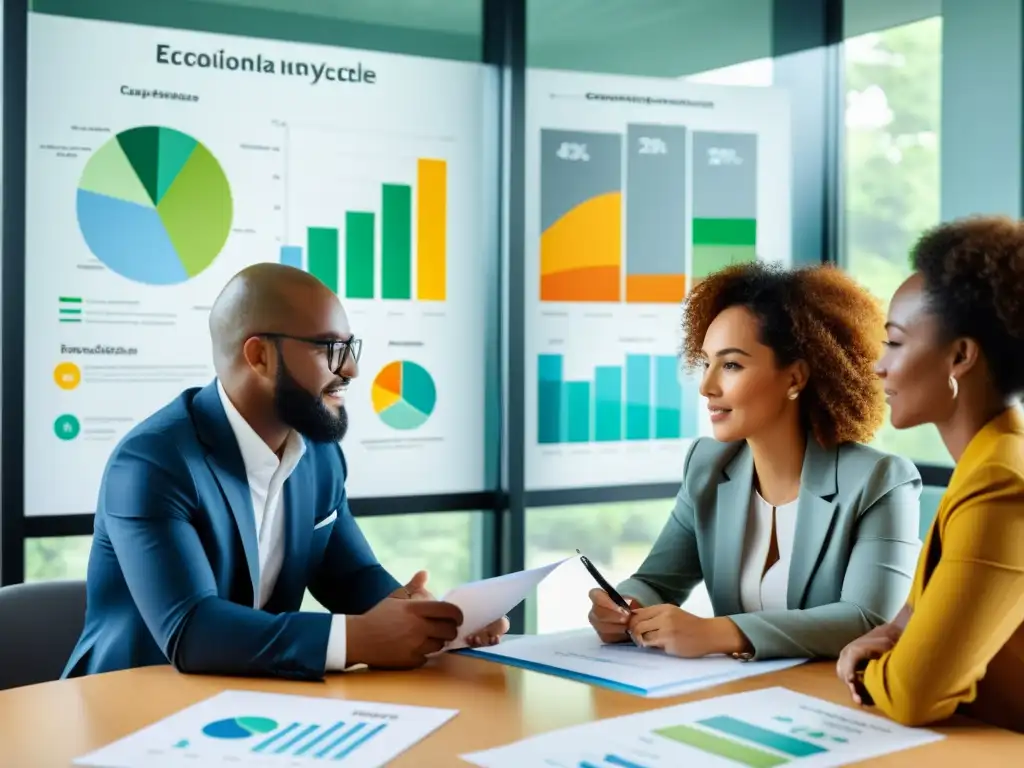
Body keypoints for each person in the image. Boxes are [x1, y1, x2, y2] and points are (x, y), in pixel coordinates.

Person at [63, 264, 507, 680]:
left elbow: (350, 576)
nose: (350, 369)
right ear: (259, 356)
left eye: (351, 348)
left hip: (250, 699)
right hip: (128, 706)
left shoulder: (318, 455)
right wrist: (358, 639)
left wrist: (429, 620)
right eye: (330, 348)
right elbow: (192, 629)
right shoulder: (152, 463)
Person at [587, 262, 922, 661]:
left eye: (731, 365)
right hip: (740, 697)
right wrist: (624, 605)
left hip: (836, 699)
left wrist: (721, 632)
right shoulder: (708, 465)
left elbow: (868, 619)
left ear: (795, 378)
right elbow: (656, 581)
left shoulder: (880, 481)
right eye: (707, 362)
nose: (707, 386)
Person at [837, 215, 1024, 732]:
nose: (878, 366)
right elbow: (908, 622)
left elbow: (915, 693)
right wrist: (888, 643)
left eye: (895, 343)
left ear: (960, 356)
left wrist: (873, 668)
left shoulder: (1001, 481)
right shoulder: (986, 464)